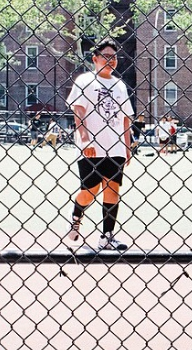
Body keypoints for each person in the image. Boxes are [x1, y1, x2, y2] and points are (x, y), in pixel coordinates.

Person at [65, 38, 133, 251]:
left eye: (114, 57)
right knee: (90, 191)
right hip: (92, 147)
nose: (111, 60)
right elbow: (79, 110)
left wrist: (128, 146)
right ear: (95, 59)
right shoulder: (85, 81)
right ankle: (76, 215)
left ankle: (107, 235)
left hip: (116, 147)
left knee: (113, 189)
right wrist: (84, 138)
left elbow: (125, 118)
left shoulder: (120, 85)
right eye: (106, 56)